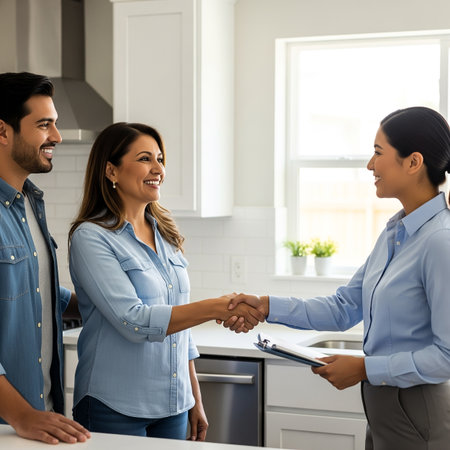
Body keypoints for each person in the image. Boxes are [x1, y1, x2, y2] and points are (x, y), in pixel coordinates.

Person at [225, 107, 450, 450]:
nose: (370, 166)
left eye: (378, 153)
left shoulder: (439, 242)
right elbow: (344, 307)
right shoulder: (395, 232)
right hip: (382, 408)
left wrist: (364, 369)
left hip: (418, 412)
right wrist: (267, 306)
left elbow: (446, 357)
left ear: (413, 162)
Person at [68, 122, 264, 441]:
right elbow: (134, 321)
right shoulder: (92, 238)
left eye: (160, 159)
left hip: (173, 407)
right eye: (145, 158)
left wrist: (194, 400)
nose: (158, 168)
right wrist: (217, 307)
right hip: (114, 407)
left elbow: (179, 327)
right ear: (111, 171)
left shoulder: (165, 233)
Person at [0, 72, 90, 444]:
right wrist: (21, 416)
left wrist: (108, 305)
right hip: (10, 427)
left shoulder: (29, 204)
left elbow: (33, 287)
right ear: (3, 132)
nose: (57, 136)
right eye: (44, 124)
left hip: (43, 418)